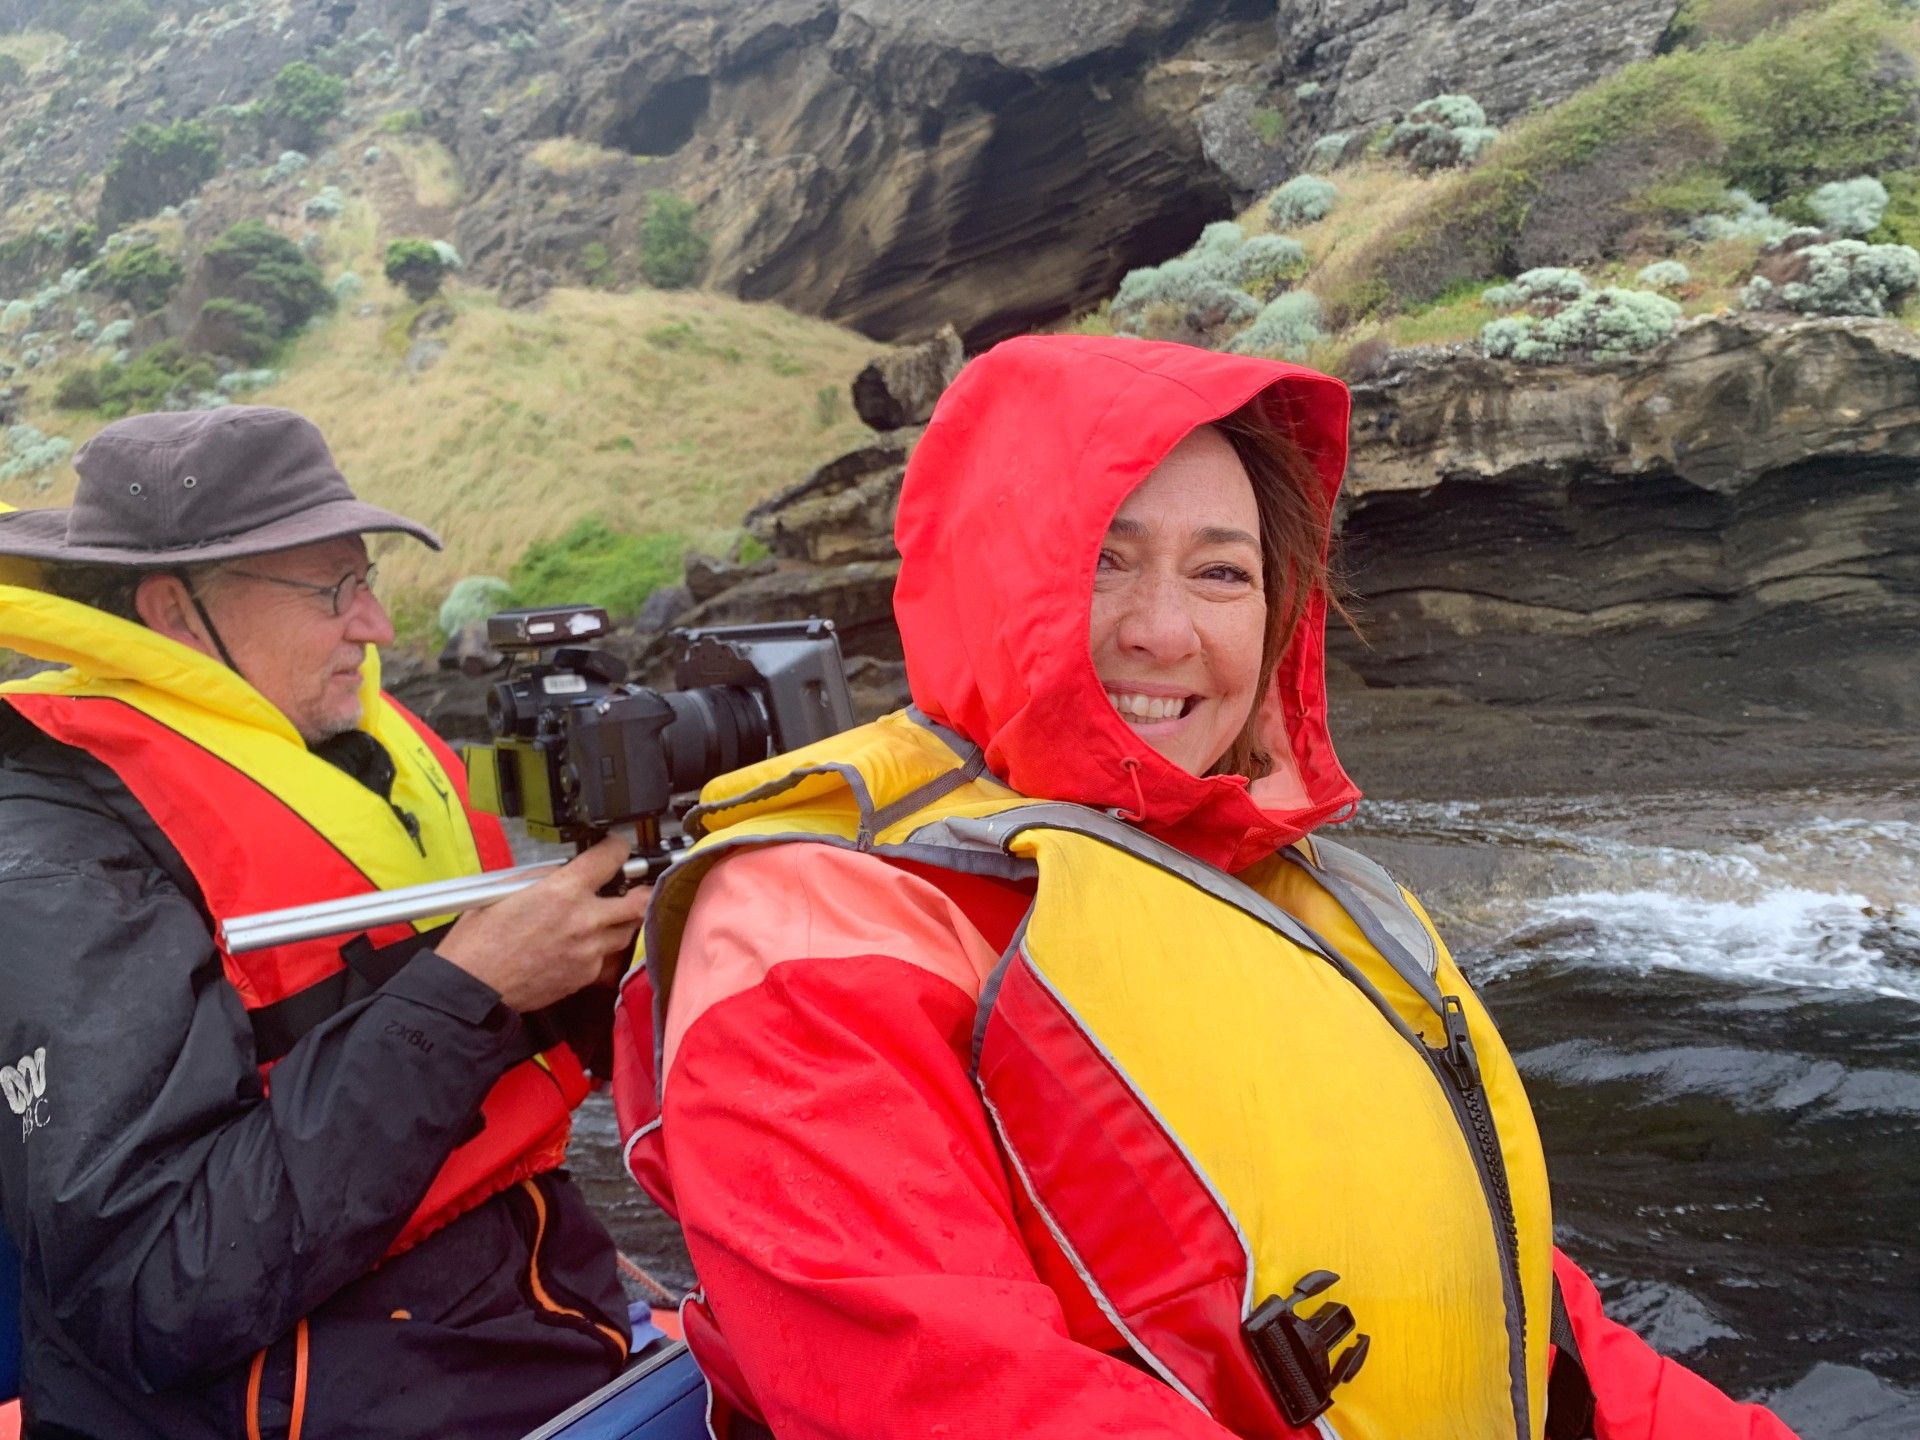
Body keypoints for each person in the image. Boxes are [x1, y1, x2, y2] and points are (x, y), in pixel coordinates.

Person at [611, 336, 1798, 1440]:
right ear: (992, 576)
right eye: (1100, 560)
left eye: (1223, 572)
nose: (1164, 631)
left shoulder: (1300, 891)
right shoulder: (808, 929)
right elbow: (947, 1392)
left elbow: (1524, 1309)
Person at [0, 406, 651, 1439]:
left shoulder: (347, 750)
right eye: (332, 590)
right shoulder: (56, 855)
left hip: (525, 1314)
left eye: (368, 580)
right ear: (176, 612)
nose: (377, 627)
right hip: (309, 1399)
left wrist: (608, 956)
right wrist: (470, 993)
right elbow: (159, 1282)